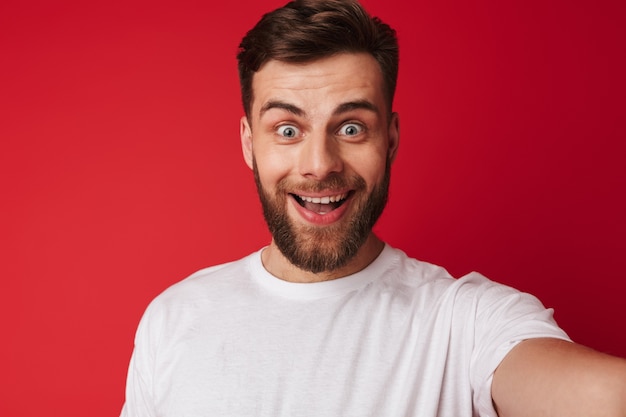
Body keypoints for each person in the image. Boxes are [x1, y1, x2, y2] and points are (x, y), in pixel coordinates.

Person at [120, 0, 626, 415]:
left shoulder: (465, 322)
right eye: (288, 130)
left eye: (351, 128)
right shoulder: (173, 319)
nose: (319, 165)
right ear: (250, 143)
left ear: (391, 139)